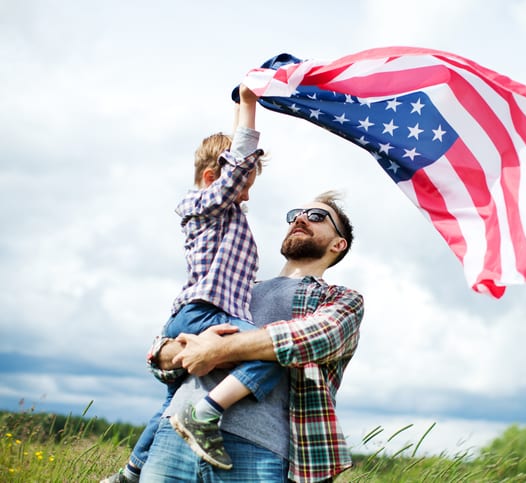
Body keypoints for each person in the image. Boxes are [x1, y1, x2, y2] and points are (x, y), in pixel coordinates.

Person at [102, 85, 278, 483]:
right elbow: (239, 158)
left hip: (194, 315)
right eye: (243, 184)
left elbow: (234, 159)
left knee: (168, 402)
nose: (245, 194)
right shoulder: (202, 204)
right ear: (214, 177)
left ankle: (129, 473)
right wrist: (249, 104)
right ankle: (205, 413)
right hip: (202, 313)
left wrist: (235, 109)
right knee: (270, 353)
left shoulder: (220, 210)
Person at [140, 190, 364, 482]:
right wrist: (182, 351)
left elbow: (312, 338)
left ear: (338, 243)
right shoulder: (236, 288)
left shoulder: (340, 299)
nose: (300, 218)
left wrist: (215, 349)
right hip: (173, 437)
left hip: (259, 449)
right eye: (296, 214)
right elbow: (160, 355)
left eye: (317, 216)